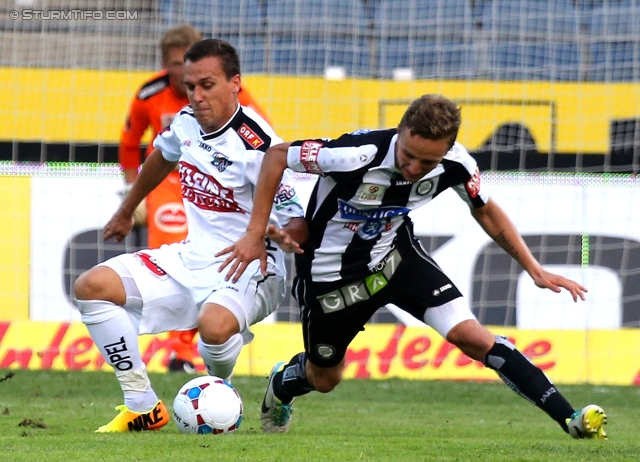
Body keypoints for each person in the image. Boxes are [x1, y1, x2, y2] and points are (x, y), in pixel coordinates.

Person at [218, 94, 608, 439]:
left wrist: (534, 268)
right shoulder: (356, 153)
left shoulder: (457, 165)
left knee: (471, 336)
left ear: (448, 149)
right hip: (330, 277)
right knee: (325, 379)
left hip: (395, 258)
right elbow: (276, 156)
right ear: (400, 131)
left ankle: (571, 418)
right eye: (408, 155)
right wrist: (256, 233)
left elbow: (485, 209)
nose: (415, 168)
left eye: (428, 161)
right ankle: (283, 384)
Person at [74, 38, 306, 433]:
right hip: (191, 258)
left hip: (252, 266)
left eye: (207, 85)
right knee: (92, 286)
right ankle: (142, 405)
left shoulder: (258, 145)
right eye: (189, 86)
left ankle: (224, 389)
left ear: (235, 83)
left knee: (212, 326)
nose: (196, 96)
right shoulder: (184, 123)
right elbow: (160, 157)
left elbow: (295, 217)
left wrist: (281, 236)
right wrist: (127, 210)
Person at [119, 24, 272, 373]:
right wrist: (131, 194)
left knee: (213, 260)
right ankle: (180, 349)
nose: (179, 73)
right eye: (174, 65)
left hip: (218, 186)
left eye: (184, 65)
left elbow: (267, 152)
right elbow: (130, 145)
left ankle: (192, 346)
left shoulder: (235, 98)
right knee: (176, 252)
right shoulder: (148, 95)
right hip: (169, 181)